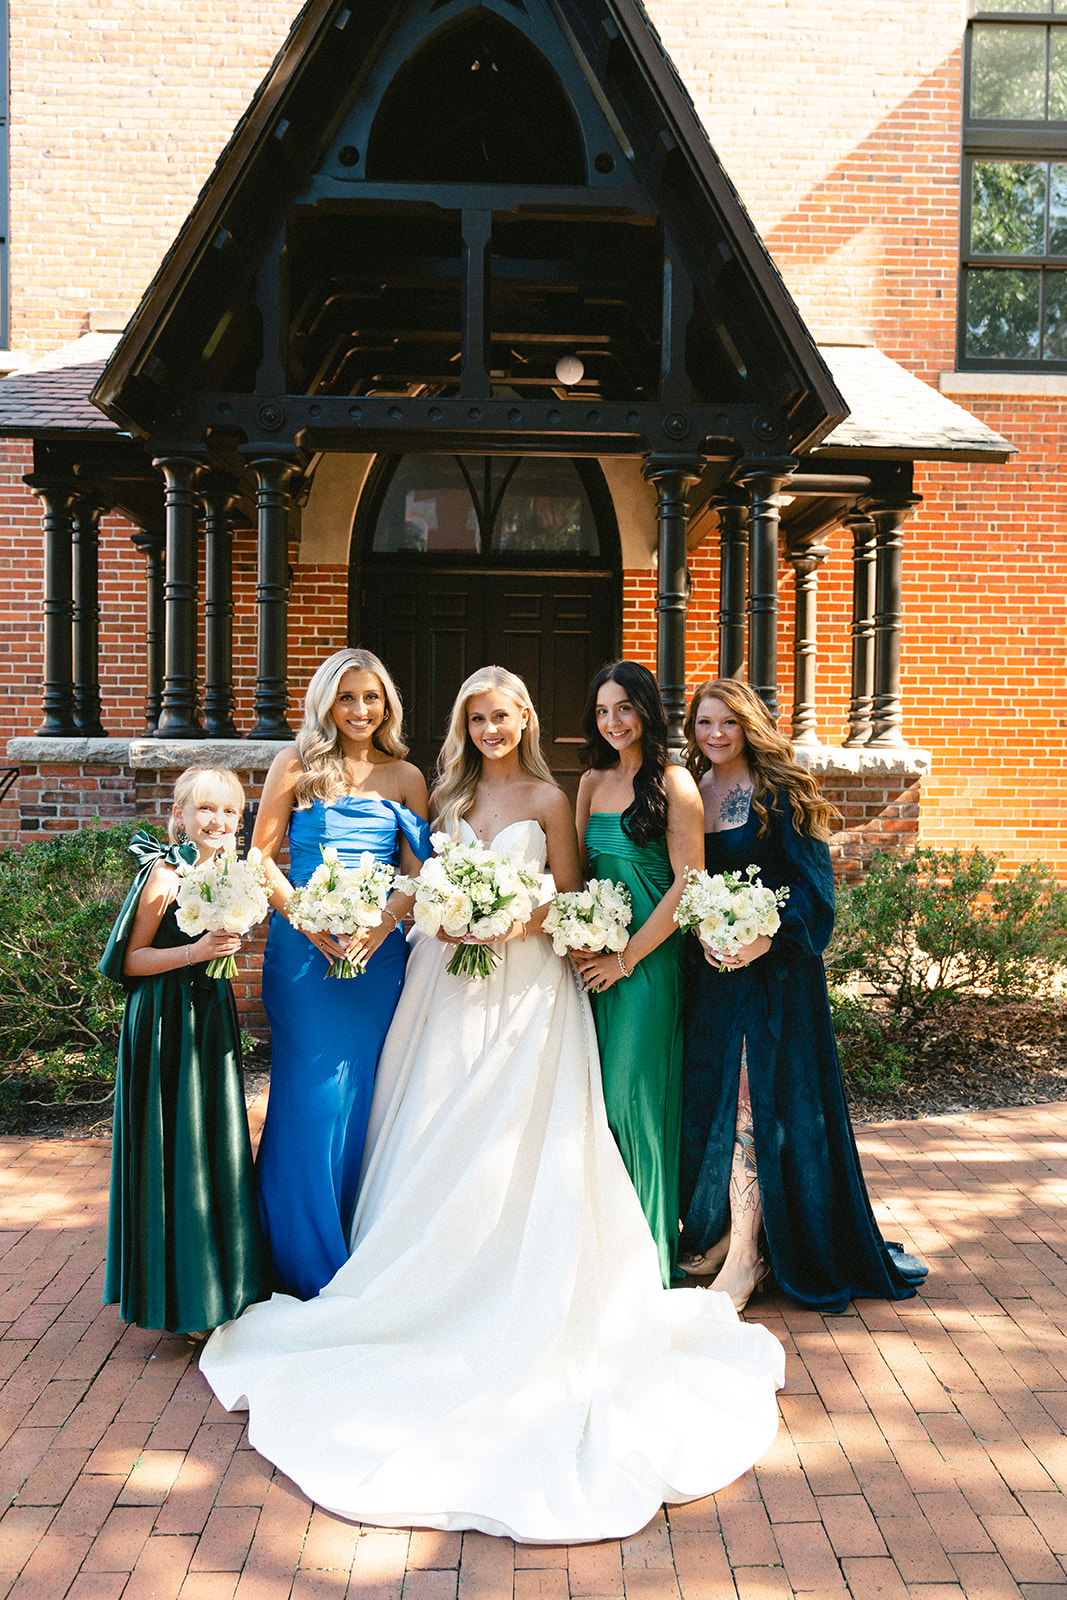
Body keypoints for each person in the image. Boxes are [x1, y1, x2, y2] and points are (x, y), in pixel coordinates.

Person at [200, 666, 785, 1545]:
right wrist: (448, 910)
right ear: (462, 725)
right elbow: (419, 877)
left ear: (525, 718)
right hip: (443, 983)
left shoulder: (556, 796)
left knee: (527, 1132)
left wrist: (510, 920)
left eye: (502, 716)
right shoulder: (442, 792)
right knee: (430, 1117)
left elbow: (565, 893)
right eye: (475, 717)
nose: (490, 729)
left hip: (527, 992)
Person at [676, 678, 924, 1314]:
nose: (715, 735)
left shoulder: (782, 794)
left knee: (755, 1105)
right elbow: (687, 883)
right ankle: (729, 1229)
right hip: (714, 975)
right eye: (704, 723)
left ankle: (750, 1254)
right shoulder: (692, 790)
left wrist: (766, 938)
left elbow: (816, 895)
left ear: (751, 725)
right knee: (719, 1102)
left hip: (776, 976)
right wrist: (706, 932)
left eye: (728, 722)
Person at [252, 647, 430, 1298]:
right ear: (326, 702)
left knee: (365, 1100)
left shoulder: (406, 777)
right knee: (310, 1100)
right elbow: (260, 857)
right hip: (304, 956)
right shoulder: (295, 765)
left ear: (388, 705)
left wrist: (382, 925)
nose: (360, 710)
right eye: (347, 697)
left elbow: (418, 872)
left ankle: (358, 1244)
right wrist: (307, 919)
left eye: (372, 698)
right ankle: (299, 1260)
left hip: (377, 958)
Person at [100, 766, 270, 1336]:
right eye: (206, 810)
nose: (219, 821)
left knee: (211, 1143)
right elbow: (128, 961)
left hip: (208, 1018)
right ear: (180, 815)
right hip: (164, 1024)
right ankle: (178, 1299)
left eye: (230, 812)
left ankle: (221, 1282)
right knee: (174, 1148)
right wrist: (198, 951)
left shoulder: (231, 874)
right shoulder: (163, 874)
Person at [573, 661, 704, 1286]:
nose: (613, 721)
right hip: (591, 966)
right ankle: (597, 1252)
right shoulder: (591, 782)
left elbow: (688, 884)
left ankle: (645, 1260)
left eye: (623, 707)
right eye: (603, 711)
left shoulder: (675, 783)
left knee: (633, 1102)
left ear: (647, 710)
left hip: (646, 968)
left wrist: (626, 959)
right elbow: (571, 873)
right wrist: (577, 940)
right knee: (592, 1103)